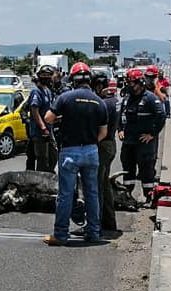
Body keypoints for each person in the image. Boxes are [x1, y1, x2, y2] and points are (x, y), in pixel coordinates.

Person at [43, 62, 108, 245]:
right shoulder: (99, 102)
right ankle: (94, 233)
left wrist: (64, 118)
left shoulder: (65, 97)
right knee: (92, 194)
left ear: (72, 79)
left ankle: (61, 235)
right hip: (91, 151)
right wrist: (91, 143)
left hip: (70, 151)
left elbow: (49, 118)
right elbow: (103, 132)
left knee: (65, 194)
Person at [118, 68, 166, 201]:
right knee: (128, 170)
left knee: (146, 171)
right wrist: (120, 129)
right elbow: (121, 115)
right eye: (128, 83)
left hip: (144, 144)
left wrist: (152, 134)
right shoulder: (127, 99)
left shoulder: (150, 98)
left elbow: (161, 116)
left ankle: (148, 196)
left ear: (140, 83)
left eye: (132, 83)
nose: (130, 86)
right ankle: (127, 195)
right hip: (129, 142)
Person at [91, 69, 119, 233]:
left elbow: (99, 129)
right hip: (110, 144)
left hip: (103, 145)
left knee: (97, 186)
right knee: (105, 184)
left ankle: (98, 223)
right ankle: (109, 222)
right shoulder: (114, 100)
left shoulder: (103, 103)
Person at [28, 65, 58, 173]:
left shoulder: (48, 91)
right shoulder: (36, 92)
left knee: (54, 156)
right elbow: (34, 111)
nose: (46, 78)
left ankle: (49, 175)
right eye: (44, 75)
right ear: (39, 76)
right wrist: (43, 127)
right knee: (42, 159)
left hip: (49, 130)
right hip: (40, 132)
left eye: (48, 76)